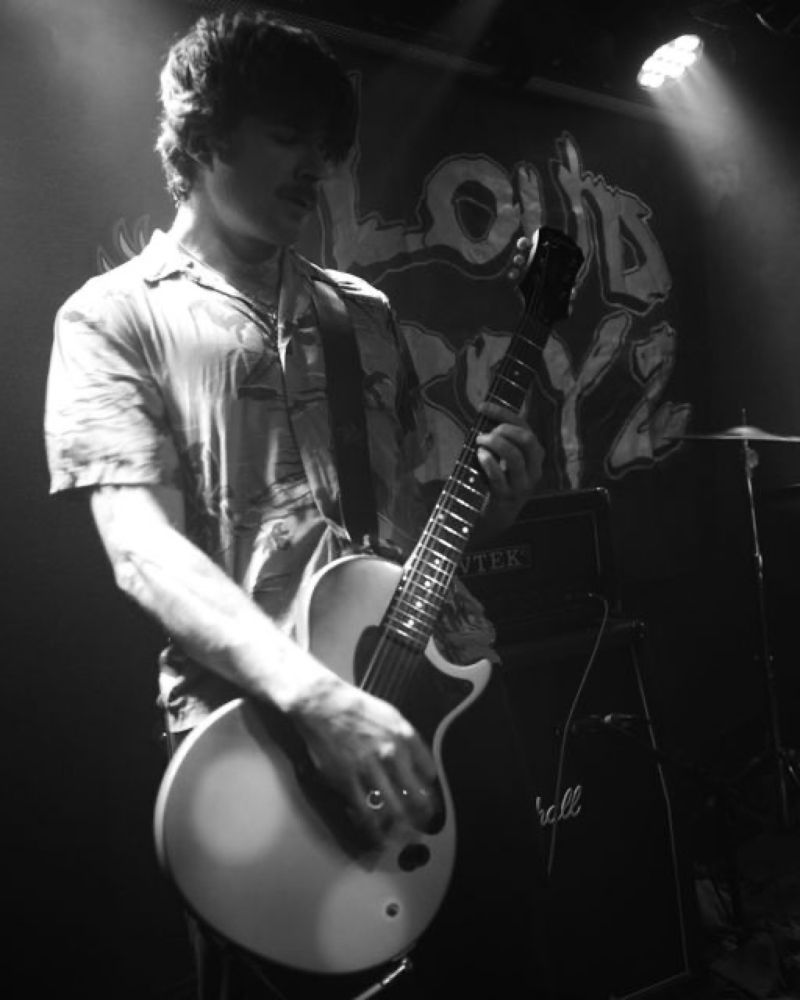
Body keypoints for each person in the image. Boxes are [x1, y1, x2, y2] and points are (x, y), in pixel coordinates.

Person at [44, 11, 547, 999]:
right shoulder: (113, 315)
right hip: (263, 750)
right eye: (286, 138)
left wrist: (484, 512)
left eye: (325, 150)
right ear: (201, 131)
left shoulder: (358, 309)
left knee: (510, 962)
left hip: (434, 706)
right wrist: (319, 699)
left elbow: (397, 523)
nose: (313, 171)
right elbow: (140, 547)